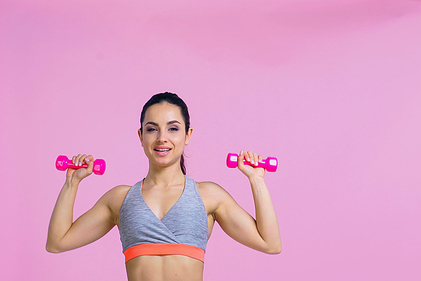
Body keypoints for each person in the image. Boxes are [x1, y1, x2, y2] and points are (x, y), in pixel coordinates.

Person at [46, 92, 281, 281]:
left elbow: (270, 244)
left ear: (188, 135)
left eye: (173, 128)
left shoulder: (209, 196)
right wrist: (71, 182)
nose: (161, 138)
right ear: (141, 136)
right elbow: (58, 242)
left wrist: (257, 180)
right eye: (152, 129)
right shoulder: (119, 199)